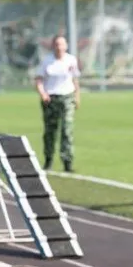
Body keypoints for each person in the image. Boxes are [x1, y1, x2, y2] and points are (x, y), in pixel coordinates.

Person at [34, 35, 81, 172]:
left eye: (62, 44)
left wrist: (77, 97)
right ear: (53, 46)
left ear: (66, 46)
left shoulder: (71, 60)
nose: (59, 47)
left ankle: (67, 162)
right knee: (50, 131)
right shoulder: (47, 61)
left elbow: (75, 80)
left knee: (67, 130)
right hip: (51, 98)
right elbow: (39, 79)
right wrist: (43, 93)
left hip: (67, 97)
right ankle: (48, 159)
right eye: (56, 44)